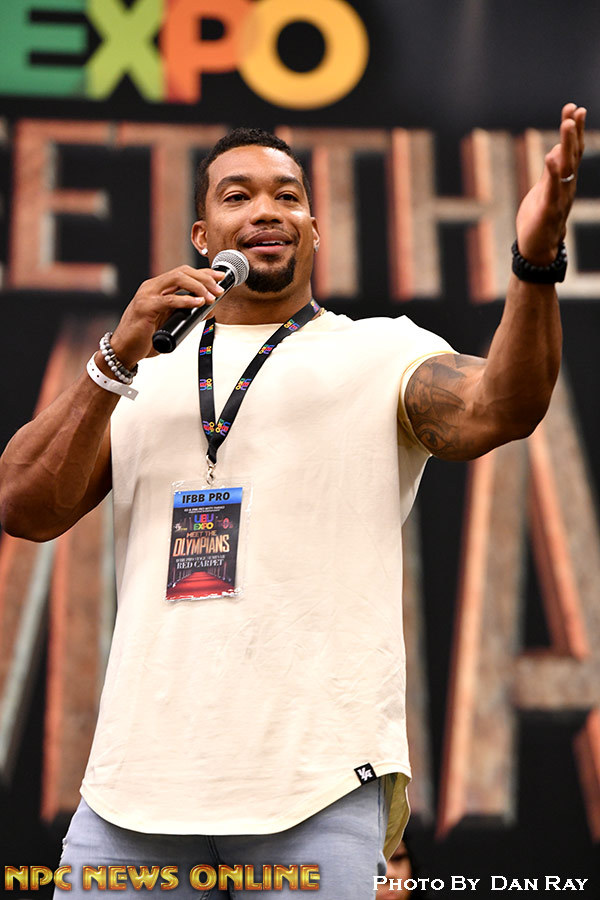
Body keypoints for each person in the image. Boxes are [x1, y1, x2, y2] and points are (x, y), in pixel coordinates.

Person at [0, 105, 586, 899]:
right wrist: (113, 359)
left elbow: (502, 407)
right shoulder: (141, 374)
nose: (267, 210)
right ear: (202, 236)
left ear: (316, 230)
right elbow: (23, 504)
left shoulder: (381, 351)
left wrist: (535, 261)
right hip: (132, 791)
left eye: (288, 195)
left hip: (313, 788)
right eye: (237, 196)